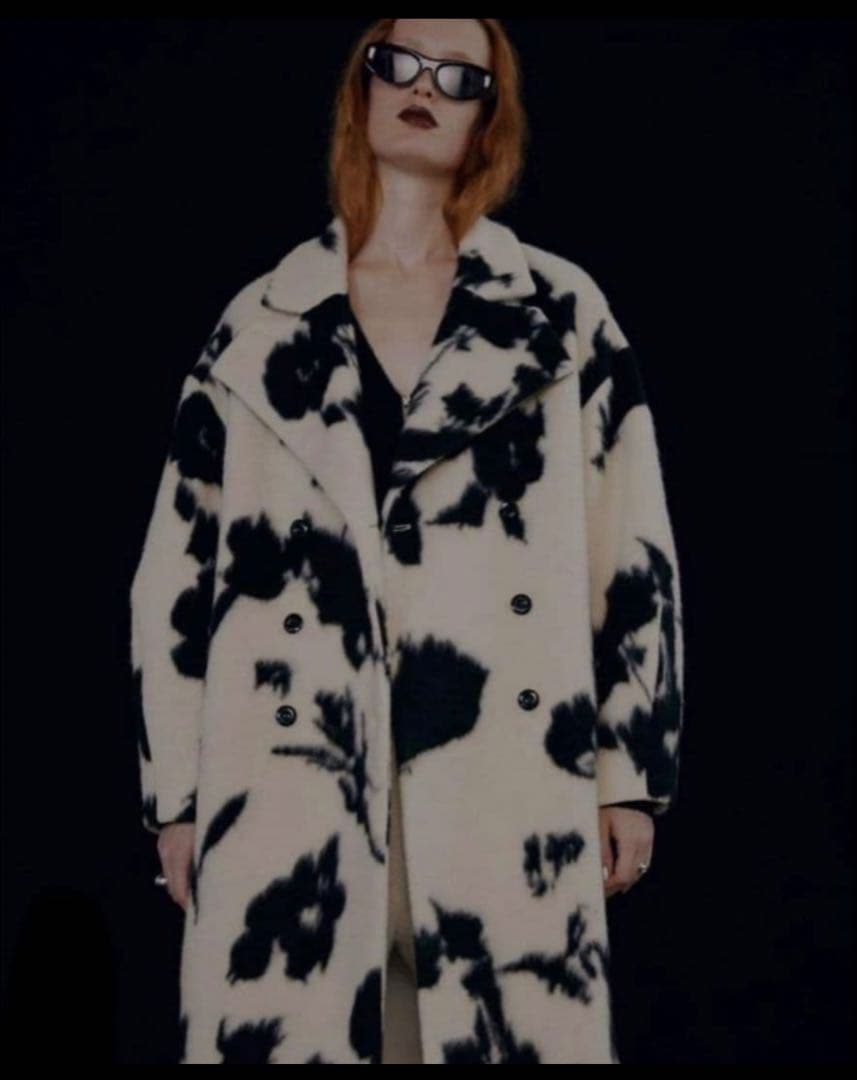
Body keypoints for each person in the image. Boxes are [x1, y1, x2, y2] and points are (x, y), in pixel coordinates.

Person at [132, 18, 684, 1065]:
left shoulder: (558, 315)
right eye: (398, 63)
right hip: (288, 775)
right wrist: (179, 799)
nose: (422, 87)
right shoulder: (260, 323)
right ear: (362, 89)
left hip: (503, 768)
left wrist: (627, 773)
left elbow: (632, 551)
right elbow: (176, 570)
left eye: (457, 76)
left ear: (489, 117)